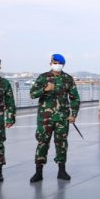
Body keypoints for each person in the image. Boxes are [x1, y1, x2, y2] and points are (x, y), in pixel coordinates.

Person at [29, 54, 81, 182]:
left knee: (62, 144)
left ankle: (62, 171)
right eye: (54, 62)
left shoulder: (68, 79)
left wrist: (73, 114)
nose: (55, 64)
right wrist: (45, 89)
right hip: (45, 118)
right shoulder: (43, 77)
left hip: (62, 118)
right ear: (50, 63)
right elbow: (32, 94)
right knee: (42, 143)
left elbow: (75, 98)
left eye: (58, 63)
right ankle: (38, 172)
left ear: (62, 65)